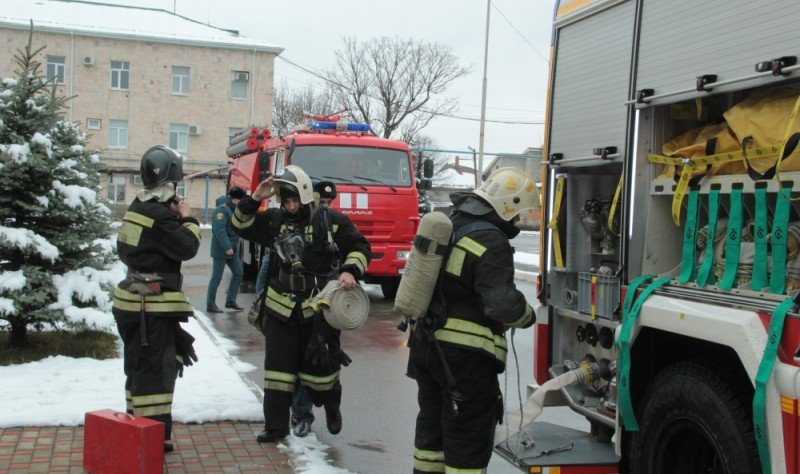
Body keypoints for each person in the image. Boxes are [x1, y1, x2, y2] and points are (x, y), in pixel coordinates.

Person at [407, 167, 540, 472]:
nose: (517, 220)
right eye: (517, 212)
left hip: (427, 349)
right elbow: (501, 304)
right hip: (463, 361)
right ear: (508, 205)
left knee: (432, 434)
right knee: (467, 437)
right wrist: (527, 315)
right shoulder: (491, 240)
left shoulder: (452, 224)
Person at [231, 165, 371, 442]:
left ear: (306, 196)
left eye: (295, 200)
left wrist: (350, 271)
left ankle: (332, 406)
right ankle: (276, 428)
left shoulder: (329, 220)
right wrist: (255, 198)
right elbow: (240, 225)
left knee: (321, 373)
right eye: (286, 200)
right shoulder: (273, 220)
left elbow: (360, 247)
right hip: (281, 308)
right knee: (277, 372)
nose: (291, 206)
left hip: (318, 309)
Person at [112, 145, 201, 453]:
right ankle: (150, 440)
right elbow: (188, 247)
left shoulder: (138, 207)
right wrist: (187, 217)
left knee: (138, 370)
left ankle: (140, 429)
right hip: (151, 309)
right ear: (169, 185)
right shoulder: (161, 218)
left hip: (132, 305)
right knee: (155, 374)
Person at [206, 186, 246, 313]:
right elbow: (219, 230)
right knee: (217, 277)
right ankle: (210, 304)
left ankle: (230, 300)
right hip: (222, 249)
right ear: (235, 199)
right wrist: (227, 247)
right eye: (241, 200)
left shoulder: (233, 208)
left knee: (239, 273)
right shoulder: (221, 210)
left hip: (231, 249)